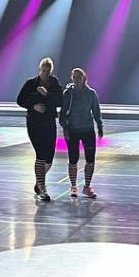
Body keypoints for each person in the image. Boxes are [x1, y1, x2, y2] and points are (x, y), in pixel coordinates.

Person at [16, 56, 61, 202]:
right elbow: (20, 100)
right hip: (34, 123)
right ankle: (42, 188)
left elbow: (60, 101)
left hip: (49, 122)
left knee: (49, 158)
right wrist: (33, 105)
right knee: (40, 155)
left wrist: (47, 94)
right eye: (43, 70)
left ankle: (39, 180)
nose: (45, 73)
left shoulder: (54, 83)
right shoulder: (31, 83)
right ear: (40, 69)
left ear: (51, 71)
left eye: (48, 71)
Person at [60, 67, 104, 199]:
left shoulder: (91, 93)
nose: (76, 80)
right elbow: (63, 112)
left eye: (78, 77)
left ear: (84, 78)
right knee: (73, 159)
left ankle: (87, 186)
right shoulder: (68, 93)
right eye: (74, 77)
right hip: (72, 130)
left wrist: (99, 125)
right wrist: (65, 127)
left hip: (87, 129)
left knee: (90, 159)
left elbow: (96, 110)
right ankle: (73, 186)